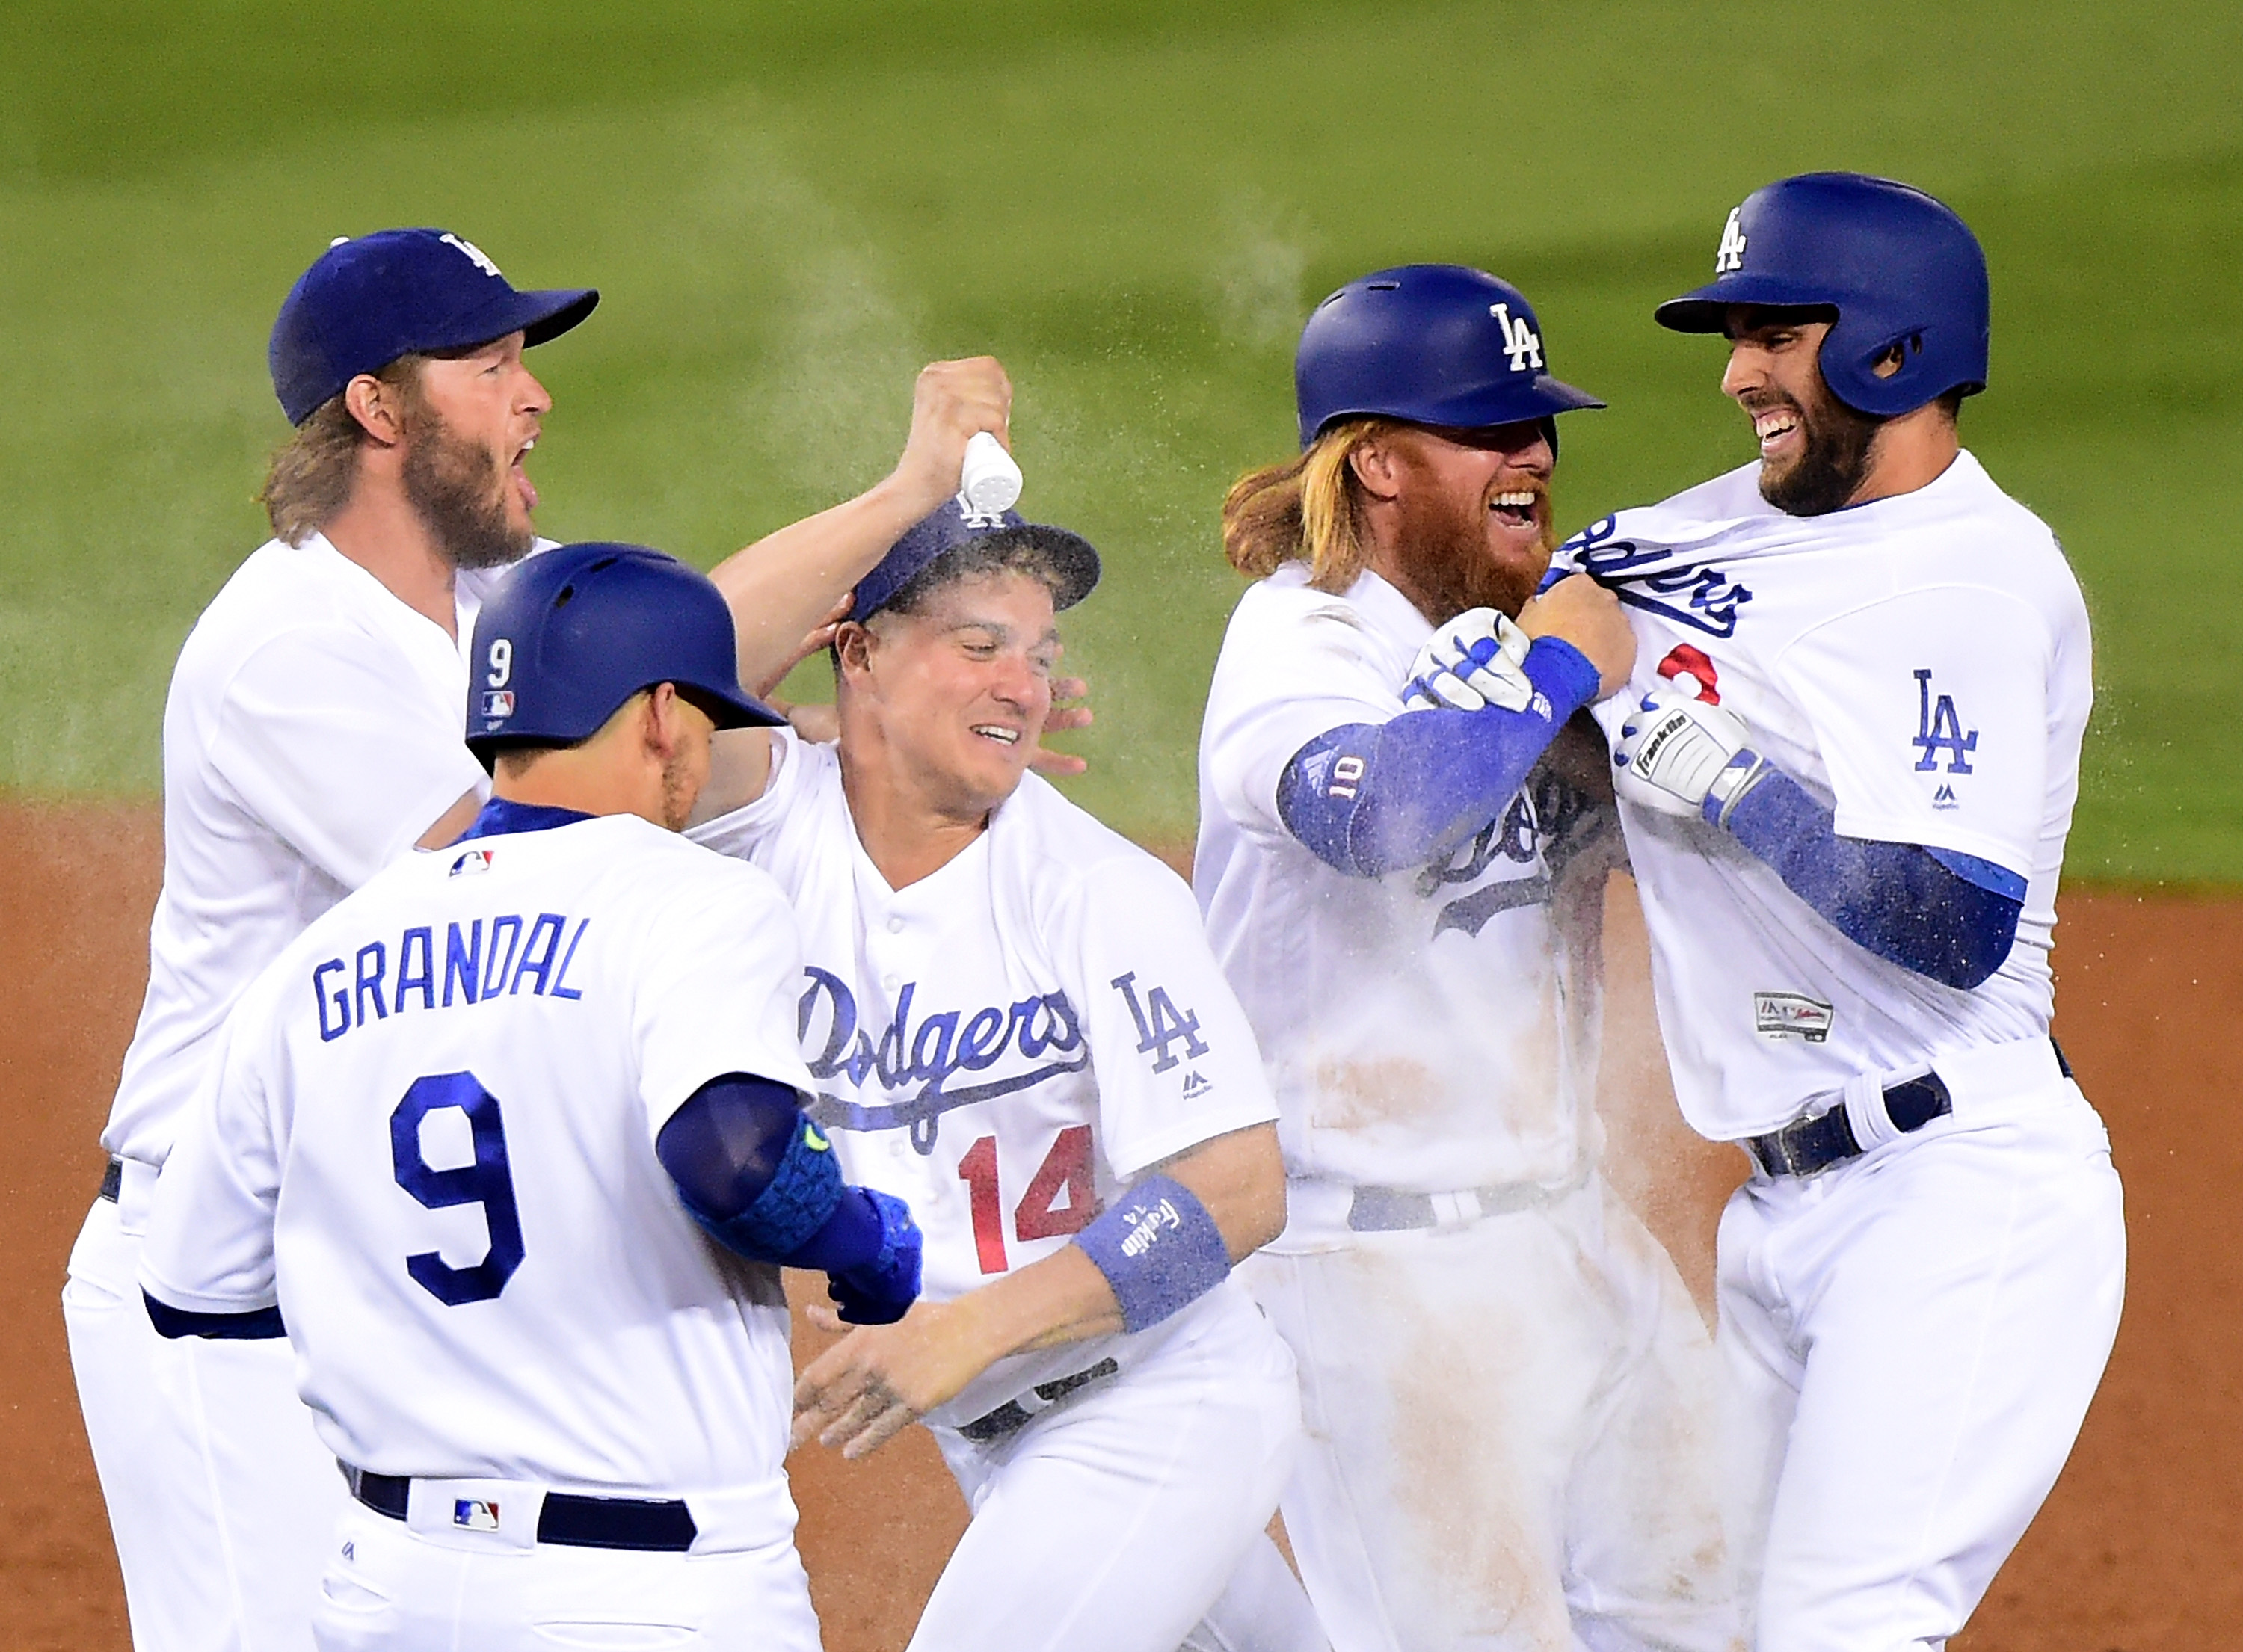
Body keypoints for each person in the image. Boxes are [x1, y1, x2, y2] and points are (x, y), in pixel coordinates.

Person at [63, 224, 1017, 1651]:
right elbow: (537, 817)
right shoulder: (282, 645)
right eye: (493, 361)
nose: (535, 395)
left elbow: (680, 674)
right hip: (231, 1279)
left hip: (393, 1249)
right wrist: (898, 521)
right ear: (378, 410)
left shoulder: (498, 600)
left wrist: (890, 697)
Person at [138, 542, 922, 1651]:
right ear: (658, 714)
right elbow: (736, 1159)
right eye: (706, 717)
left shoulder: (321, 957)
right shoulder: (693, 900)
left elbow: (191, 1287)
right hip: (650, 1599)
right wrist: (865, 1246)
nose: (706, 746)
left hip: (391, 1590)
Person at [1546, 171, 2126, 1649]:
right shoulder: (1681, 535)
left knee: (1838, 1628)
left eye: (1774, 333)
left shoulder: (1980, 586)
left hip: (1956, 1195)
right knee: (1647, 1614)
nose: (1738, 373)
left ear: (1892, 346)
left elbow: (1951, 920)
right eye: (1733, 336)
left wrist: (1702, 759)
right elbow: (1508, 617)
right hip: (1779, 1211)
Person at [1195, 264, 1738, 1651]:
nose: (1537, 455)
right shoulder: (1302, 639)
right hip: (1377, 1281)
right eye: (1492, 432)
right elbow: (1382, 814)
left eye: (1539, 427)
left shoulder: (1521, 624)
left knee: (1726, 1615)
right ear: (1376, 459)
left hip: (1577, 1233)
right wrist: (1558, 670)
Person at [686, 498, 1323, 1652]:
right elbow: (672, 676)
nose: (1023, 686)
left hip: (1163, 1398)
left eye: (1039, 656)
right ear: (860, 651)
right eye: (980, 645)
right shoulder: (771, 824)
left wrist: (961, 1332)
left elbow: (1237, 1190)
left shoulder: (1096, 891)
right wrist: (906, 487)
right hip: (1001, 1439)